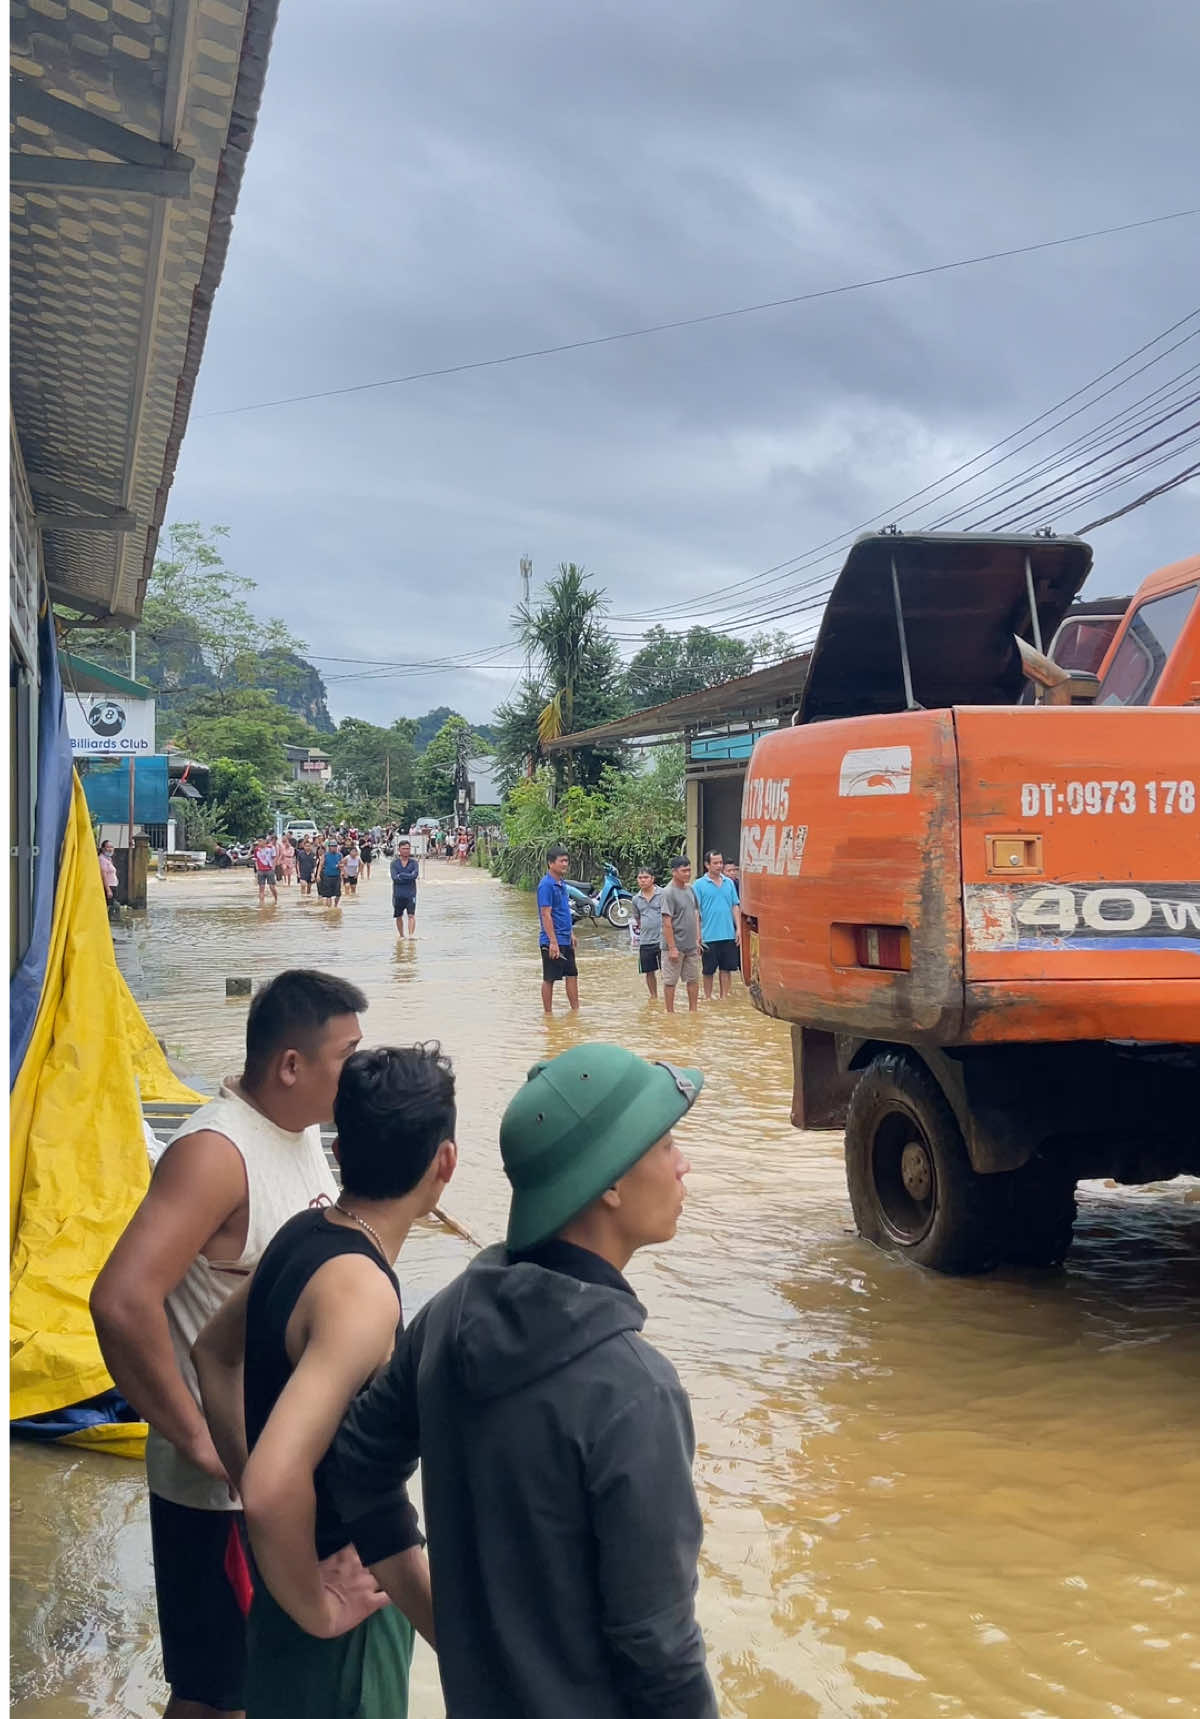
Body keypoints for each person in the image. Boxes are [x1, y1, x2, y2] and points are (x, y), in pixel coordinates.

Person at [304, 1045, 717, 1719]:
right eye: (665, 1142)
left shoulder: (446, 1317)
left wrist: (448, 1628)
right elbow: (662, 1651)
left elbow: (354, 1465)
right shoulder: (635, 1390)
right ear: (608, 1183)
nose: (682, 1162)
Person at [90, 970, 369, 1719]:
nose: (361, 1069)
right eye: (348, 1054)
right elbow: (120, 1300)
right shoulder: (215, 1153)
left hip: (278, 1475)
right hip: (217, 1491)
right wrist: (196, 1438)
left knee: (258, 1688)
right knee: (213, 1696)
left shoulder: (301, 1129)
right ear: (290, 1065)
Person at [191, 1045, 457, 1719]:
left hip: (285, 1578)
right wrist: (315, 1602)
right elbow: (274, 1483)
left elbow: (212, 1353)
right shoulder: (363, 1294)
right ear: (445, 1162)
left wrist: (277, 1547)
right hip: (344, 1599)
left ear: (339, 1149)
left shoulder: (302, 1232)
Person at [692, 849, 742, 1002]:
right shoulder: (699, 885)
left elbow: (735, 906)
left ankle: (724, 998)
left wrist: (738, 929)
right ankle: (707, 998)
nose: (719, 866)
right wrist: (697, 936)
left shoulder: (729, 883)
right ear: (707, 865)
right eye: (715, 863)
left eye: (721, 862)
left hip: (728, 933)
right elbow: (696, 911)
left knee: (726, 969)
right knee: (708, 971)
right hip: (709, 935)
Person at [537, 844, 578, 1014]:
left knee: (572, 974)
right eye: (561, 861)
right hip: (552, 940)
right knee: (550, 978)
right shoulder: (546, 885)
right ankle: (548, 1014)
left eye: (566, 861)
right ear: (550, 863)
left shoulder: (561, 884)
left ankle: (575, 1010)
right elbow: (546, 914)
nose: (565, 864)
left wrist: (571, 933)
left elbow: (564, 911)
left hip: (565, 938)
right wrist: (552, 941)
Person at [661, 856, 701, 1014]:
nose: (687, 873)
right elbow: (666, 921)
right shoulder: (668, 892)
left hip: (691, 945)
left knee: (693, 979)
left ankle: (693, 1011)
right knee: (670, 981)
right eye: (684, 871)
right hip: (674, 946)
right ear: (674, 872)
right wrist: (672, 948)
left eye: (689, 870)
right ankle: (670, 1012)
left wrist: (698, 937)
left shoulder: (690, 889)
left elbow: (695, 913)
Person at [628, 866, 666, 1000]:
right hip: (645, 941)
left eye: (646, 877)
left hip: (663, 939)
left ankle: (668, 996)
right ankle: (654, 997)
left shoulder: (663, 894)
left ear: (652, 879)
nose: (643, 880)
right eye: (640, 878)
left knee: (666, 971)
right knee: (648, 971)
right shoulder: (636, 899)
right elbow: (637, 918)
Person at [390, 840, 419, 937]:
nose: (406, 851)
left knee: (411, 915)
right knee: (398, 916)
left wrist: (401, 875)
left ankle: (411, 935)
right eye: (404, 849)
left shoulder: (414, 863)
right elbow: (394, 878)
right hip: (398, 894)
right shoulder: (394, 863)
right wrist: (408, 876)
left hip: (411, 893)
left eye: (408, 849)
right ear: (399, 850)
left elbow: (414, 876)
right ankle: (401, 935)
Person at [318, 841, 343, 908]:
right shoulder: (325, 855)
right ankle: (329, 908)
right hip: (327, 877)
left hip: (337, 876)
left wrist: (341, 869)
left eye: (335, 846)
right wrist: (318, 875)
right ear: (329, 847)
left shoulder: (339, 855)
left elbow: (342, 864)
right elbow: (320, 865)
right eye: (332, 846)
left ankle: (335, 906)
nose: (334, 848)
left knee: (338, 894)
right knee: (328, 895)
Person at [253, 838, 279, 903]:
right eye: (258, 841)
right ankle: (261, 904)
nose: (259, 843)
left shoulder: (271, 848)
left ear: (264, 841)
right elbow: (256, 860)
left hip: (269, 870)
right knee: (261, 888)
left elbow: (274, 858)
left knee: (272, 887)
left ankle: (276, 900)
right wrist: (257, 870)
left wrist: (273, 867)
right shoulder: (256, 850)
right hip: (260, 871)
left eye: (260, 841)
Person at [98, 839, 119, 904]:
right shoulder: (102, 859)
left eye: (111, 847)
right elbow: (103, 875)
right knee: (109, 907)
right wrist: (108, 890)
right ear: (103, 848)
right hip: (108, 886)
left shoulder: (108, 859)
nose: (110, 849)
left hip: (113, 885)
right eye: (108, 847)